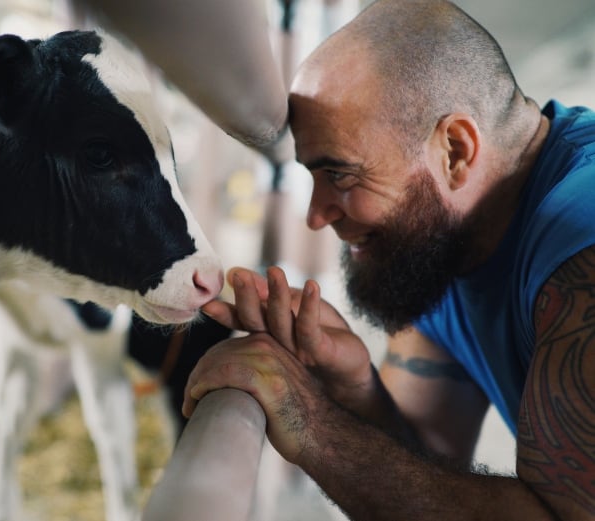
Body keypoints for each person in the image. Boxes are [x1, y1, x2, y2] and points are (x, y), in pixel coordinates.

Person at [181, 0, 595, 519]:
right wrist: (353, 387)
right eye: (314, 177)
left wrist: (312, 426)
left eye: (342, 175)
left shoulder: (583, 244)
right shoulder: (443, 234)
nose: (316, 215)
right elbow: (434, 460)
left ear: (456, 151)